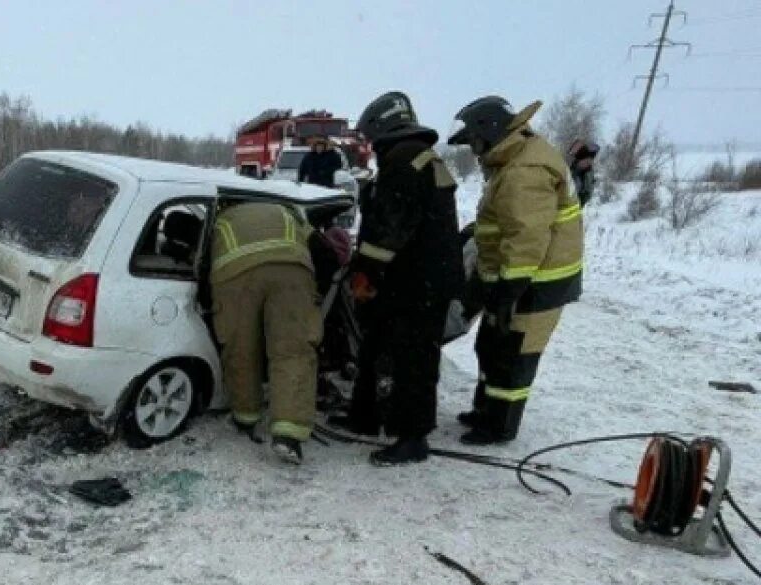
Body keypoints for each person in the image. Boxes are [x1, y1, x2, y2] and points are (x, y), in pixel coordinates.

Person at [335, 91, 464, 466]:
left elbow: (387, 229)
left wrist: (364, 272)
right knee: (376, 346)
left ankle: (413, 438)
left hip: (419, 284)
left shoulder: (404, 161)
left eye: (371, 140)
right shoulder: (417, 156)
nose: (371, 148)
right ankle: (366, 416)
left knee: (414, 362)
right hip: (411, 279)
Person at [447, 97, 584, 445]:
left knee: (514, 353)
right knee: (491, 345)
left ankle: (499, 426)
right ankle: (484, 410)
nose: (475, 151)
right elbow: (504, 220)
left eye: (475, 142)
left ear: (491, 133)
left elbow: (526, 236)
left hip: (535, 283)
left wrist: (510, 290)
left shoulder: (524, 171)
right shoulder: (515, 159)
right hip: (520, 277)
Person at [210, 200, 321, 464]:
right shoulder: (286, 211)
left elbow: (202, 260)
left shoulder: (221, 218)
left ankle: (246, 415)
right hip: (293, 271)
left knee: (241, 346)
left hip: (235, 273)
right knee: (292, 351)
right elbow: (324, 250)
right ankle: (289, 434)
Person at [567, 139, 600, 207]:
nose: (589, 163)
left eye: (590, 161)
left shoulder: (588, 172)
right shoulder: (571, 173)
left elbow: (588, 192)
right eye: (587, 161)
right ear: (579, 161)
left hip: (576, 208)